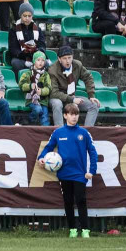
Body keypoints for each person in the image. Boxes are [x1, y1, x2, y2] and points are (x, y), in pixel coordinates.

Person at [38, 102, 98, 238]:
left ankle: (85, 230)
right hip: (64, 173)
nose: (74, 117)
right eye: (71, 114)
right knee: (68, 201)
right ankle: (72, 229)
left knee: (81, 200)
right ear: (65, 115)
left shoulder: (84, 133)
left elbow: (93, 152)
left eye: (76, 114)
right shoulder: (58, 132)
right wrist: (41, 158)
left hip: (79, 174)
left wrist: (92, 171)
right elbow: (48, 147)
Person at [47, 45, 100, 126]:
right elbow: (54, 93)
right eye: (64, 58)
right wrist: (72, 99)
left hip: (71, 96)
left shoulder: (77, 65)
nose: (67, 61)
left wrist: (91, 95)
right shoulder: (52, 70)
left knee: (94, 105)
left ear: (72, 57)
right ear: (59, 59)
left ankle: (86, 132)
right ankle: (60, 132)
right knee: (57, 104)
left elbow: (88, 77)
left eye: (69, 57)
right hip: (57, 98)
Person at [7, 1, 46, 74]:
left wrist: (37, 51)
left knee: (46, 62)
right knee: (16, 63)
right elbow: (13, 49)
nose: (27, 18)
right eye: (25, 16)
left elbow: (42, 45)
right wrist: (24, 54)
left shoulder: (37, 29)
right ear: (20, 15)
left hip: (36, 57)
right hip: (21, 58)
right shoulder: (13, 29)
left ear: (32, 16)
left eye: (29, 16)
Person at [18, 51, 52, 125]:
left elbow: (49, 88)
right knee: (37, 109)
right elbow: (21, 85)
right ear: (34, 61)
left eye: (43, 60)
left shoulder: (46, 75)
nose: (41, 62)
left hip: (43, 101)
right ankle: (29, 120)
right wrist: (30, 86)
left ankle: (46, 133)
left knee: (45, 117)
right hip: (31, 100)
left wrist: (42, 91)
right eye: (38, 60)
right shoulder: (27, 74)